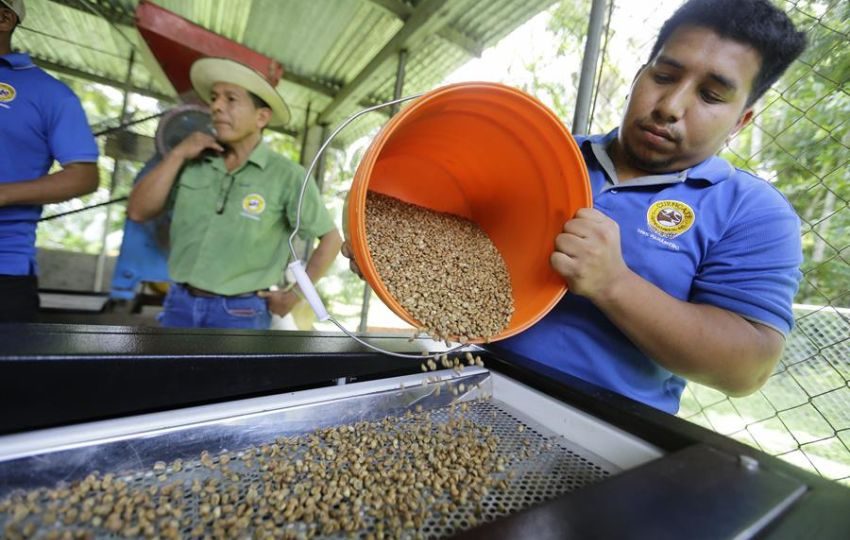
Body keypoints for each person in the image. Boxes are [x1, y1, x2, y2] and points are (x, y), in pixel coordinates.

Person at [343, 0, 807, 414]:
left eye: (710, 95)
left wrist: (615, 284)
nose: (670, 105)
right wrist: (391, 264)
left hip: (602, 432)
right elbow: (460, 249)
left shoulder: (752, 211)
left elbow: (746, 369)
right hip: (459, 390)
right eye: (663, 76)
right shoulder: (541, 156)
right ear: (639, 75)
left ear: (741, 119)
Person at [127, 57, 342, 330]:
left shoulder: (288, 176)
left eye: (231, 99)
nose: (216, 106)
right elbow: (138, 211)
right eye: (215, 98)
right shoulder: (192, 160)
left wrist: (296, 294)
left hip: (241, 314)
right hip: (178, 304)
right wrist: (178, 153)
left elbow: (331, 239)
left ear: (261, 117)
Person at [0, 0, 100, 323]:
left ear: (4, 18)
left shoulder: (50, 94)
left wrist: (2, 193)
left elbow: (83, 176)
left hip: (5, 269)